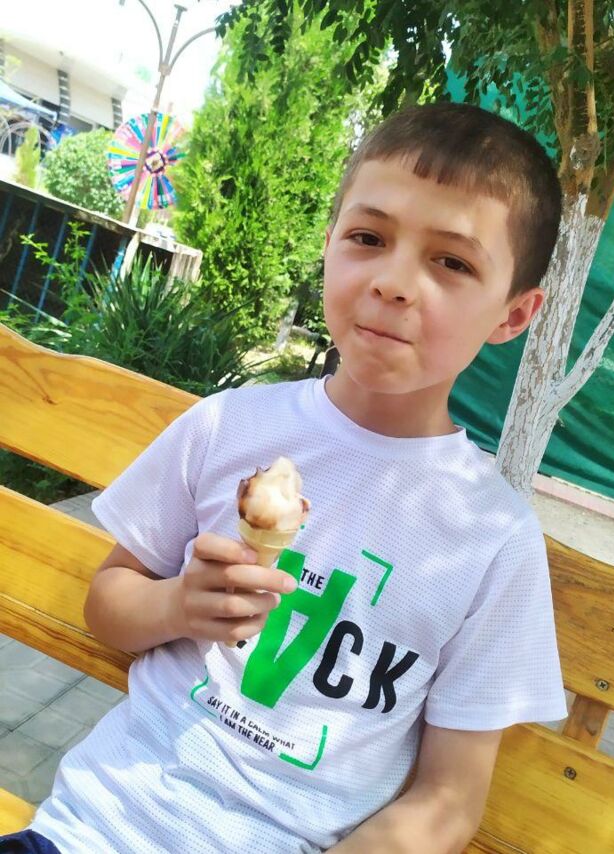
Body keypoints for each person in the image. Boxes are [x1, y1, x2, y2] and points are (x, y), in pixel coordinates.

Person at [2, 101, 568, 854]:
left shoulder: (492, 540)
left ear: (513, 315)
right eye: (369, 238)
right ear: (329, 245)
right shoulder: (230, 426)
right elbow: (109, 601)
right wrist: (177, 604)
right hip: (89, 829)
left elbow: (448, 799)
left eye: (453, 263)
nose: (395, 282)